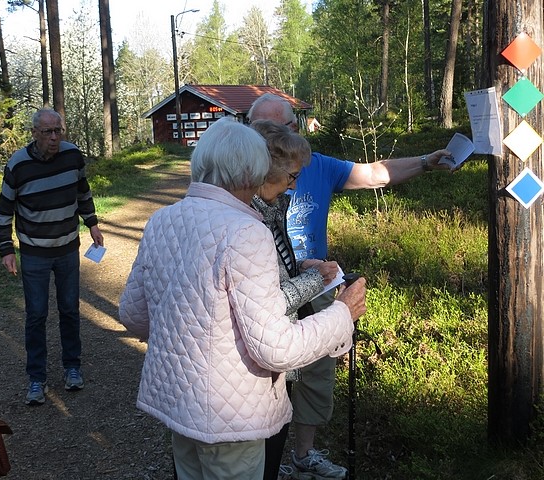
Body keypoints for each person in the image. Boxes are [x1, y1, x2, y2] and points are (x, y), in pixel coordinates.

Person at [118, 116, 367, 480]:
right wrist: (342, 314)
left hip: (179, 404)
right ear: (252, 173)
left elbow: (133, 314)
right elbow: (276, 349)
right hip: (231, 415)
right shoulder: (247, 233)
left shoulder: (162, 220)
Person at [248, 93, 453, 479]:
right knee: (264, 375)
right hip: (264, 289)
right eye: (260, 130)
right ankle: (261, 460)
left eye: (279, 128)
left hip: (318, 283)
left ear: (292, 130)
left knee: (318, 370)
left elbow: (375, 172)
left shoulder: (316, 164)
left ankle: (303, 454)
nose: (269, 137)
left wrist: (425, 162)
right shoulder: (240, 177)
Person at [250, 120, 344, 480]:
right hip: (263, 357)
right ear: (263, 169)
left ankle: (291, 458)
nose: (295, 183)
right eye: (291, 175)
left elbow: (273, 269)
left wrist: (299, 266)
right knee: (261, 448)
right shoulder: (251, 218)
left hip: (273, 350)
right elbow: (268, 300)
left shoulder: (272, 207)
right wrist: (313, 279)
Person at [0, 108, 104, 406]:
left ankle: (72, 368)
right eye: (48, 132)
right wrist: (6, 248)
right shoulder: (18, 165)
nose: (55, 138)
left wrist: (92, 223)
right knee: (36, 315)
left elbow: (83, 193)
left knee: (69, 309)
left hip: (68, 247)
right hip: (34, 253)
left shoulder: (73, 157)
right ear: (34, 133)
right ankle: (36, 379)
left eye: (58, 131)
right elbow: (4, 212)